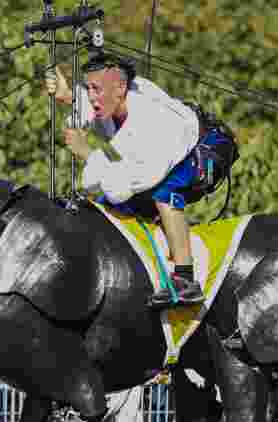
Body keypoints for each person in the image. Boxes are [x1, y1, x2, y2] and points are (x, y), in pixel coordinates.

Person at [48, 53, 236, 308]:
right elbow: (95, 109)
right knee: (106, 204)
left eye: (96, 89)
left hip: (207, 145)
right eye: (89, 87)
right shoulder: (115, 98)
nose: (91, 96)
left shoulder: (148, 122)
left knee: (163, 192)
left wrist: (87, 153)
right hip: (155, 153)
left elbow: (120, 189)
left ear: (120, 88)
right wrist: (68, 95)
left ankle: (185, 279)